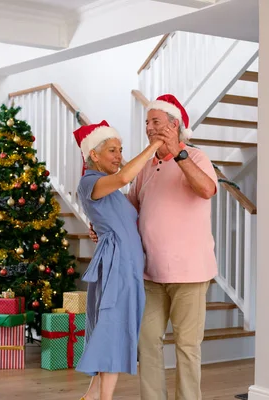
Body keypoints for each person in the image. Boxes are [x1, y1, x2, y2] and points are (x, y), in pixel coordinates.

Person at [89, 94, 218, 400]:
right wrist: (103, 228)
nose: (149, 128)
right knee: (147, 343)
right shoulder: (146, 168)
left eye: (156, 122)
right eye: (147, 122)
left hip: (190, 272)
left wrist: (179, 154)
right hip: (149, 272)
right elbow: (129, 212)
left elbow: (207, 189)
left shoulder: (196, 157)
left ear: (175, 126)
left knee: (187, 347)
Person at [73, 120, 165, 400]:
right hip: (116, 267)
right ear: (94, 155)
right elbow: (125, 177)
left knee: (113, 329)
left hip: (126, 267)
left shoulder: (110, 191)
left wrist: (98, 228)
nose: (119, 156)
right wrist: (155, 145)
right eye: (112, 150)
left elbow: (117, 217)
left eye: (121, 150)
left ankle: (91, 397)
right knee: (111, 331)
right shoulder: (90, 182)